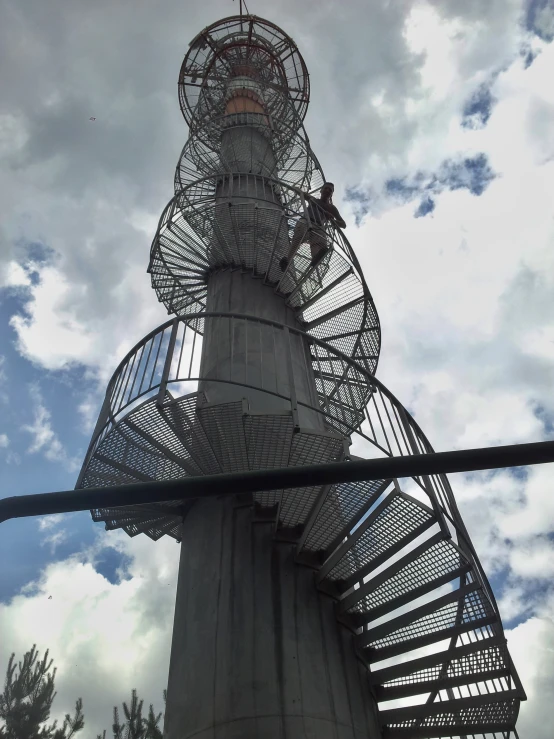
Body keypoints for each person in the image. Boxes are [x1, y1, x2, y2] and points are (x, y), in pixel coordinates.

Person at [279, 182, 346, 272]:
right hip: (306, 220)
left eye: (330, 190)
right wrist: (296, 188)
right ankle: (287, 260)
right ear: (321, 190)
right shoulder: (313, 200)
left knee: (320, 246)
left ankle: (315, 258)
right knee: (298, 237)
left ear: (331, 194)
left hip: (319, 226)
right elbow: (301, 192)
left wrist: (333, 220)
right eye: (326, 188)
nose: (327, 190)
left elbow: (343, 224)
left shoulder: (332, 208)